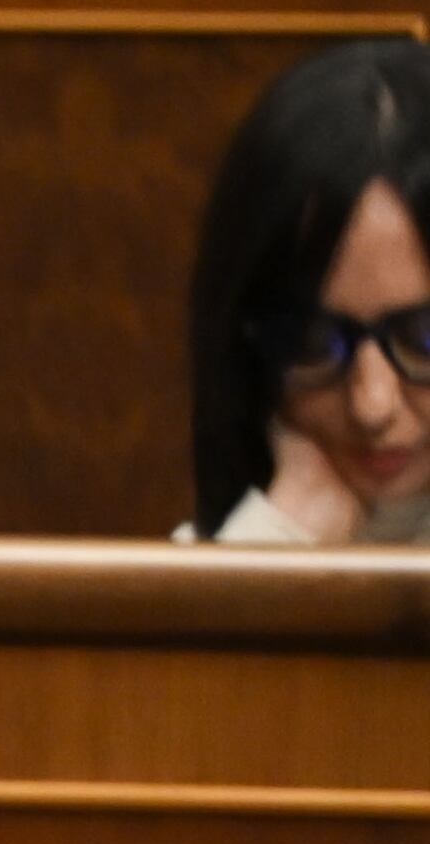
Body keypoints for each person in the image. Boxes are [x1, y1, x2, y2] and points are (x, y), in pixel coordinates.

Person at [183, 39, 430, 546]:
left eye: (421, 336)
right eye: (314, 341)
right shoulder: (225, 562)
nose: (372, 405)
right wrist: (279, 540)